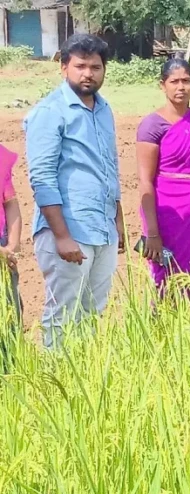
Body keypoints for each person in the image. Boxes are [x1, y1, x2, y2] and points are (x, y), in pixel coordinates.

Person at [24, 34, 123, 349]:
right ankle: (56, 383)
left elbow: (109, 164)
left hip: (103, 227)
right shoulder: (50, 111)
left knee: (93, 313)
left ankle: (85, 381)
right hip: (68, 229)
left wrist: (117, 219)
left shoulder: (104, 109)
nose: (88, 73)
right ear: (64, 67)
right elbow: (41, 177)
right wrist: (62, 236)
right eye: (80, 66)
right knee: (63, 313)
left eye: (95, 66)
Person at [137, 59, 190, 293]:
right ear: (162, 85)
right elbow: (145, 180)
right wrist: (152, 233)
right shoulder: (152, 125)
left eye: (186, 81)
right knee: (165, 277)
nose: (181, 87)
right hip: (168, 216)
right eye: (174, 81)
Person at [0, 142, 22, 369]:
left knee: (10, 319)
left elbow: (11, 203)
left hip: (3, 252)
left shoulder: (1, 156)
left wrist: (12, 245)